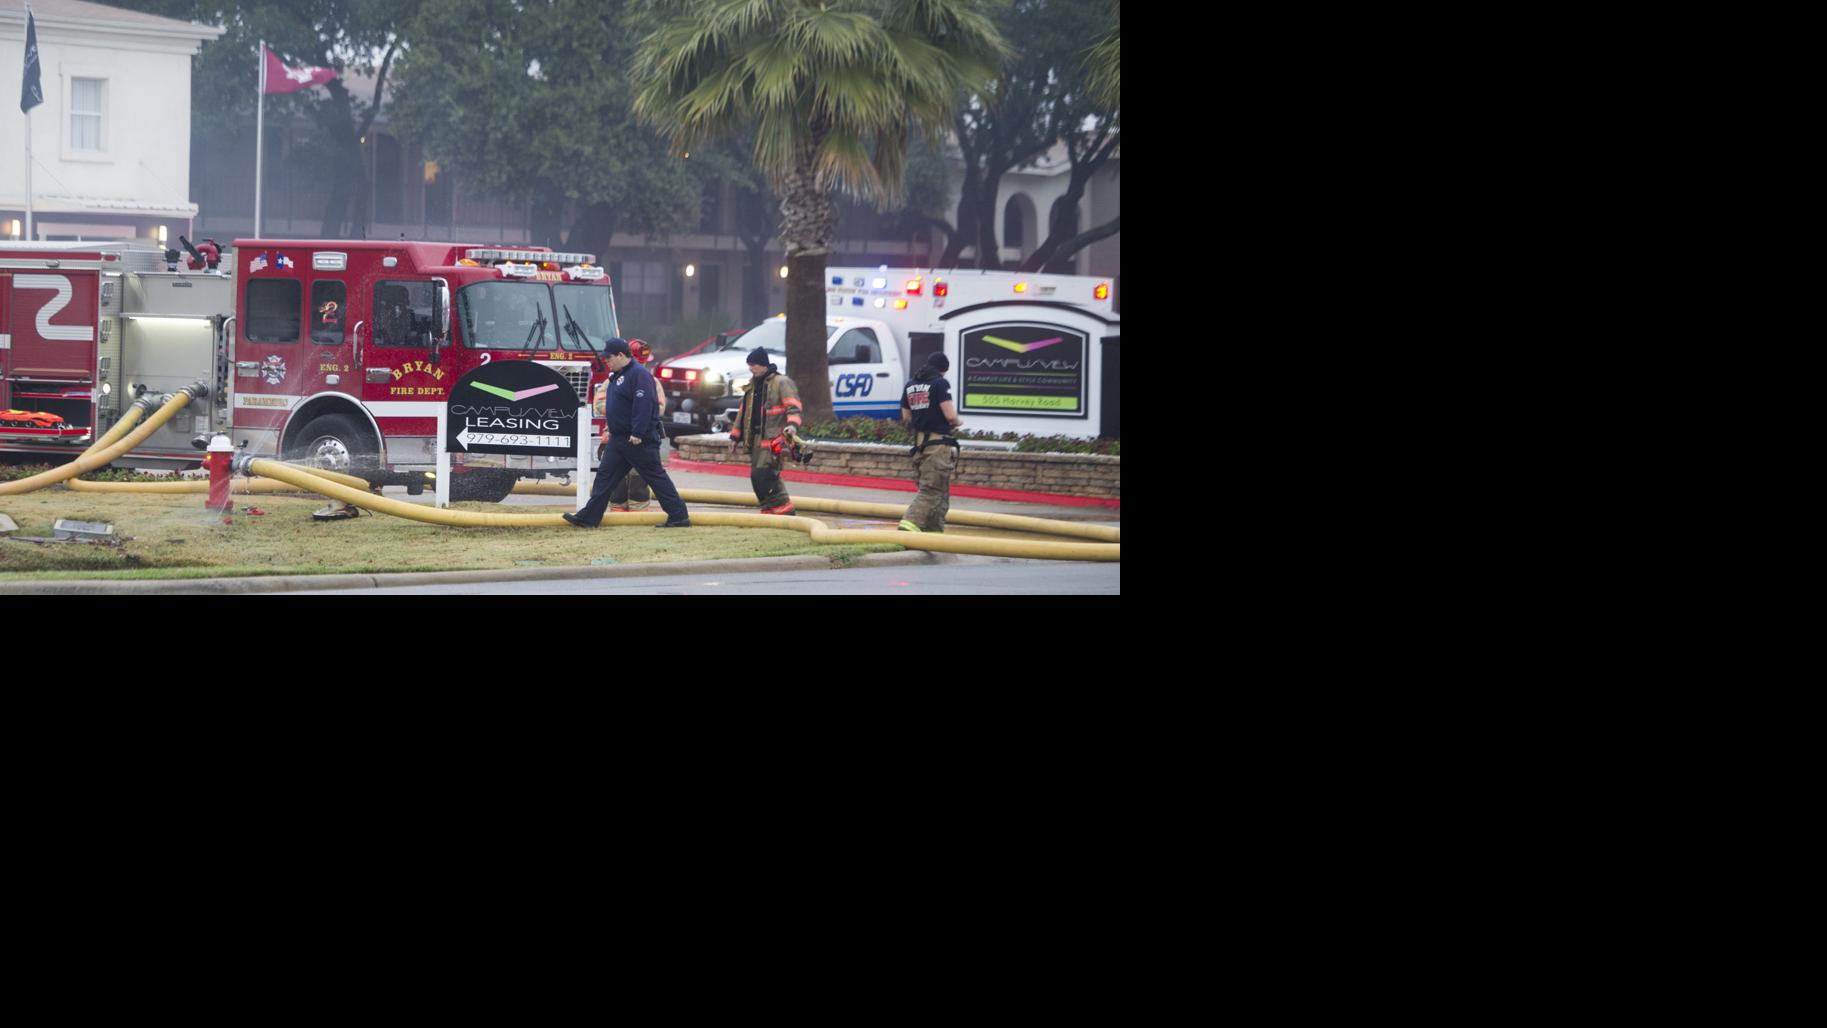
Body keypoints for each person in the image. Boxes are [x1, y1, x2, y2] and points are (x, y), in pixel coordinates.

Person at [564, 338, 691, 529]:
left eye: (609, 357)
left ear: (621, 355)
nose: (606, 361)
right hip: (619, 439)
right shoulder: (618, 375)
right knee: (604, 478)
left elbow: (644, 405)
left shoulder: (638, 375)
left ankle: (679, 516)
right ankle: (589, 518)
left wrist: (638, 432)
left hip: (637, 440)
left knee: (655, 477)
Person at [726, 345, 802, 516]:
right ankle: (769, 508)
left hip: (775, 439)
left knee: (767, 474)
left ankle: (784, 509)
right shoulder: (752, 386)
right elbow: (743, 412)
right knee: (757, 476)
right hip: (756, 439)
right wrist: (735, 437)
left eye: (754, 365)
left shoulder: (781, 383)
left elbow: (794, 408)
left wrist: (792, 427)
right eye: (750, 365)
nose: (751, 369)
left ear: (763, 364)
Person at [897, 352, 963, 533]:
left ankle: (933, 533)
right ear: (943, 370)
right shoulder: (940, 383)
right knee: (932, 491)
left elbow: (906, 416)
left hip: (920, 445)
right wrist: (958, 421)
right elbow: (950, 416)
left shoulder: (911, 385)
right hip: (938, 445)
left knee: (940, 494)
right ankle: (908, 526)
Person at [606, 339, 662, 512]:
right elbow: (601, 404)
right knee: (614, 480)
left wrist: (637, 426)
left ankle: (639, 512)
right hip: (618, 436)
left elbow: (655, 407)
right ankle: (616, 510)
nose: (644, 363)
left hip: (638, 437)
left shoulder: (646, 379)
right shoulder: (614, 379)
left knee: (640, 479)